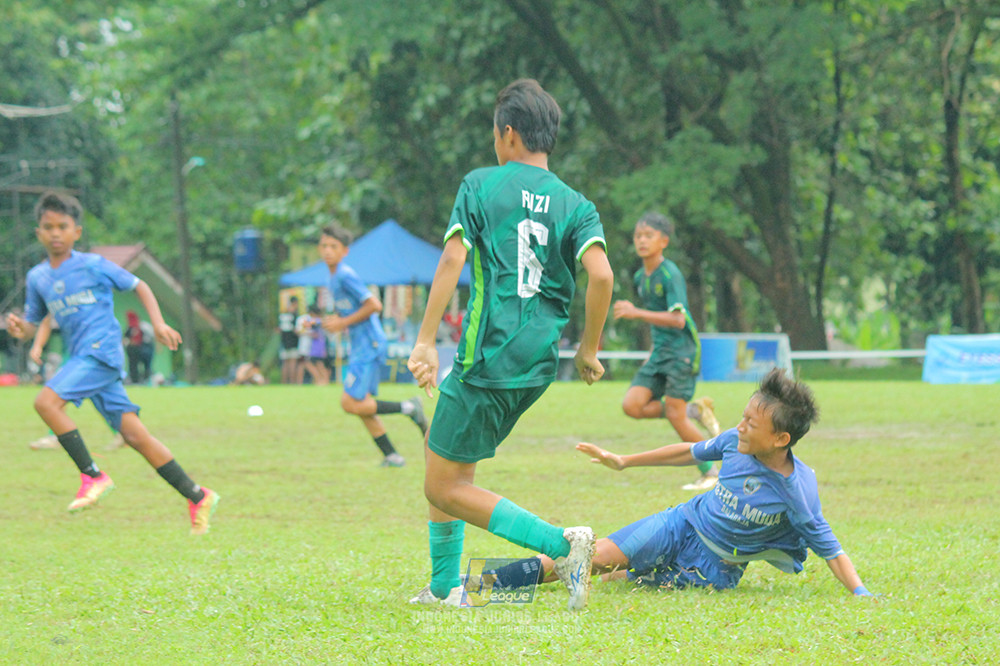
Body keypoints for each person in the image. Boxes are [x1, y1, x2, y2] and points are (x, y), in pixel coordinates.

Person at [406, 78, 615, 611]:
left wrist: (426, 340)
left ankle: (562, 546)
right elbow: (601, 275)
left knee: (441, 485)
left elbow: (452, 259)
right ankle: (443, 587)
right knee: (445, 453)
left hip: (487, 355)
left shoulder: (480, 185)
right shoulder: (576, 204)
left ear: (508, 133)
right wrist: (589, 349)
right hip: (536, 363)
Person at [479, 369, 874, 599]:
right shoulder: (733, 443)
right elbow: (687, 451)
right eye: (742, 417)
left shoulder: (798, 491)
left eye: (751, 424)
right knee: (595, 557)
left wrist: (860, 593)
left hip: (714, 568)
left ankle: (628, 571)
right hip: (680, 523)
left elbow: (831, 549)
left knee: (622, 578)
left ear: (780, 439)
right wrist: (624, 461)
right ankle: (484, 585)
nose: (739, 427)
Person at [5, 190, 220, 534]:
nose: (56, 233)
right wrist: (20, 330)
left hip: (101, 352)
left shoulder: (92, 264)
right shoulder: (38, 277)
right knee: (135, 437)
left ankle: (93, 476)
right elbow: (32, 324)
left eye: (63, 226)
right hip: (83, 356)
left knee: (45, 402)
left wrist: (158, 323)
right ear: (38, 233)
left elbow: (140, 285)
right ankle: (198, 495)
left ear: (76, 231)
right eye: (48, 227)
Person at [613, 211, 721, 491]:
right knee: (632, 406)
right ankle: (693, 410)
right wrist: (652, 349)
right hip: (660, 353)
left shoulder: (670, 274)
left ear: (664, 241)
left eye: (648, 236)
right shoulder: (640, 276)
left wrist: (636, 313)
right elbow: (658, 321)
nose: (642, 241)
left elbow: (678, 319)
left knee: (675, 415)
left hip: (681, 352)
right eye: (638, 236)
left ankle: (711, 472)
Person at [318, 224, 427, 467]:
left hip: (369, 343)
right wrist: (322, 322)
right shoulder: (332, 278)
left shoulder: (345, 275)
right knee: (361, 405)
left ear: (345, 251)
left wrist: (342, 322)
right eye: (324, 246)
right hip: (361, 345)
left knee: (349, 403)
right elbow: (349, 311)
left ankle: (409, 407)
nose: (327, 251)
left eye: (333, 246)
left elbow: (374, 305)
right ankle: (392, 456)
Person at [27, 313, 124, 451]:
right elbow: (46, 319)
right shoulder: (57, 302)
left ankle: (55, 436)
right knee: (97, 394)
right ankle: (122, 433)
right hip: (76, 352)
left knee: (57, 391)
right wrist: (37, 345)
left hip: (92, 353)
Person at [295, 304, 329, 385]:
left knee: (314, 363)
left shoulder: (316, 320)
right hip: (313, 346)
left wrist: (307, 326)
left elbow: (314, 324)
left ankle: (321, 379)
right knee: (316, 363)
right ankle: (321, 380)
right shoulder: (309, 319)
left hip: (315, 347)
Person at [123, 309, 153, 384]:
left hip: (143, 350)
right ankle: (135, 380)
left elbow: (149, 338)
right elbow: (125, 339)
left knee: (146, 366)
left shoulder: (143, 327)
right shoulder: (129, 328)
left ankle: (146, 380)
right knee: (133, 366)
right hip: (133, 351)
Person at [278, 295, 301, 384]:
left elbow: (278, 329)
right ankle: (292, 382)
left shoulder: (282, 315)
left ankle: (283, 382)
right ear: (295, 303)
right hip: (293, 341)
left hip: (284, 342)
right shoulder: (294, 315)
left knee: (285, 363)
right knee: (292, 362)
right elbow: (296, 330)